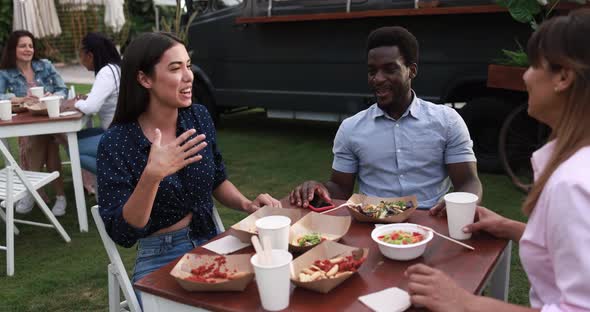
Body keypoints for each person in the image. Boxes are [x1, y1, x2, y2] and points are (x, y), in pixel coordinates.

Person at [405, 10, 590, 311]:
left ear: (564, 77)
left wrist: (465, 303)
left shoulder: (573, 185)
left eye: (532, 65)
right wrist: (511, 227)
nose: (525, 76)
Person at [97, 32, 282, 295]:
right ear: (144, 78)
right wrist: (152, 176)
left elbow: (217, 178)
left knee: (269, 289)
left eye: (188, 65)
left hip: (212, 241)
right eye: (175, 68)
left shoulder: (197, 117)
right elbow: (123, 233)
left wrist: (246, 204)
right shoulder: (117, 142)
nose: (188, 76)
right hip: (161, 255)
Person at [289, 26, 482, 212]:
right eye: (372, 71)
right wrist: (319, 188)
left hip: (432, 222)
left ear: (411, 70)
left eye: (389, 69)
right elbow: (340, 188)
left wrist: (460, 206)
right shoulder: (351, 129)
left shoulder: (447, 122)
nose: (378, 79)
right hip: (372, 225)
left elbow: (468, 181)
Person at [0, 30, 68, 215]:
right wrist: (18, 98)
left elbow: (63, 89)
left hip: (50, 117)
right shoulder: (6, 73)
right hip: (28, 123)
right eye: (23, 45)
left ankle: (30, 191)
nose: (28, 49)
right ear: (13, 49)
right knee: (49, 144)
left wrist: (51, 96)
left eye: (30, 45)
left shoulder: (45, 65)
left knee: (41, 141)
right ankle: (60, 197)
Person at [60, 32, 121, 199]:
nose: (80, 58)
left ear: (90, 55)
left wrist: (75, 103)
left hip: (117, 137)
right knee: (73, 138)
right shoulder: (115, 68)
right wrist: (87, 98)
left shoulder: (106, 72)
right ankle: (116, 176)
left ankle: (118, 177)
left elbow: (91, 108)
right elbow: (100, 99)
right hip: (120, 132)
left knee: (72, 148)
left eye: (81, 54)